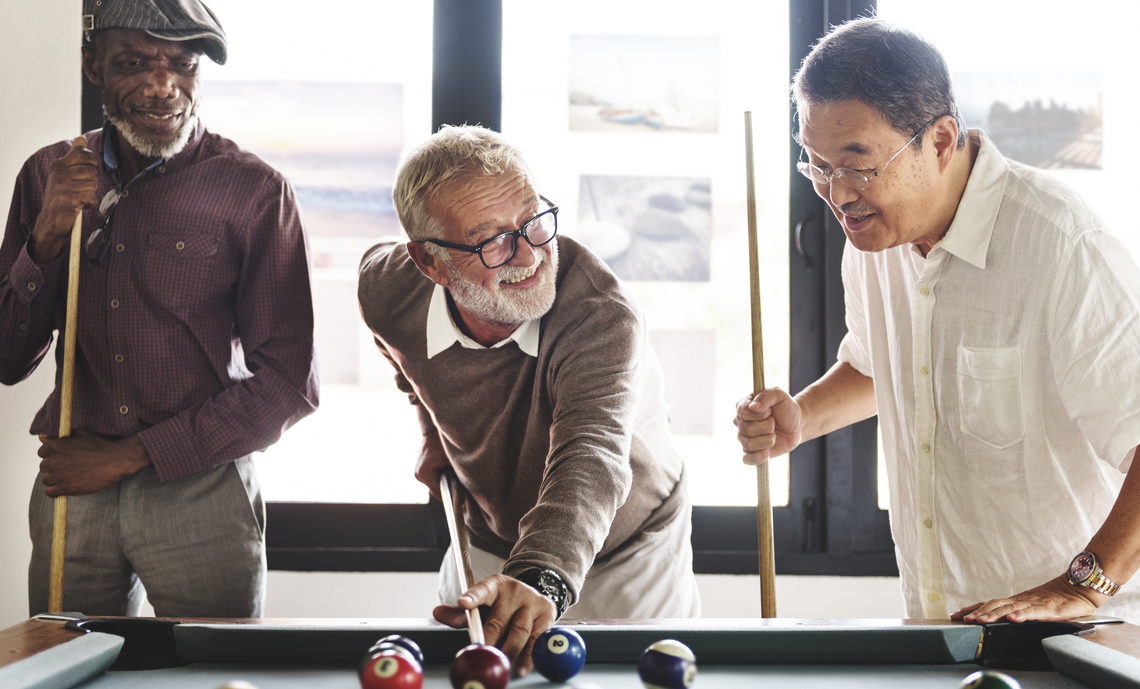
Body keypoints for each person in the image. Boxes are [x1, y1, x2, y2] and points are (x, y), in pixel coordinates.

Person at [735, 17, 1140, 624]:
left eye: (858, 166)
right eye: (816, 165)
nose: (837, 193)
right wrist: (802, 417)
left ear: (942, 140)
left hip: (1078, 635)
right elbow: (881, 366)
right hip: (940, 630)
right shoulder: (871, 237)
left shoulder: (1061, 244)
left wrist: (1083, 586)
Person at [0, 0, 319, 617]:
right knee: (63, 670)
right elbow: (7, 359)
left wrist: (124, 458)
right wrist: (43, 240)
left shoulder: (254, 191)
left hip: (201, 487)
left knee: (210, 674)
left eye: (183, 63)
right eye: (133, 62)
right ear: (93, 66)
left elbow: (287, 386)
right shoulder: (47, 174)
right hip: (73, 485)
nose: (161, 84)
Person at [357, 125, 699, 674]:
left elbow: (591, 457)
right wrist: (431, 432)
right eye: (491, 238)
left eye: (532, 220)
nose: (529, 254)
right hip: (492, 532)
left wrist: (539, 576)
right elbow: (401, 358)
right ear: (430, 263)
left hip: (629, 547)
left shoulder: (600, 316)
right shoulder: (388, 288)